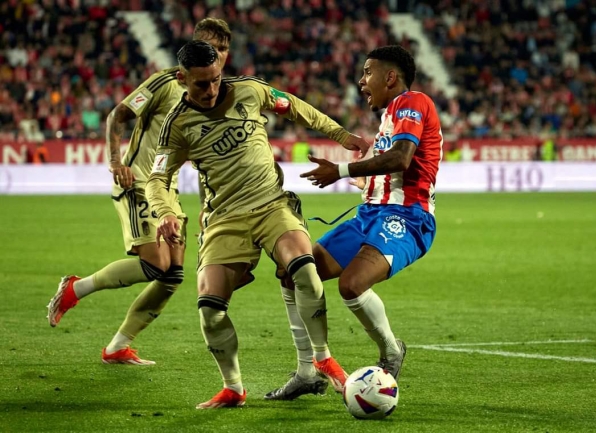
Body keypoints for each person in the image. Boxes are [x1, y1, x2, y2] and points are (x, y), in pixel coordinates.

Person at [146, 40, 370, 409]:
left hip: (271, 205)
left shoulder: (250, 91)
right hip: (226, 219)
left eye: (216, 79)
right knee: (210, 310)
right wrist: (164, 212)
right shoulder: (177, 125)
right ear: (181, 78)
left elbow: (295, 107)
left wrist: (342, 136)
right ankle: (233, 387)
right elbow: (157, 178)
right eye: (200, 84)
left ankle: (322, 356)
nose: (211, 90)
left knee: (304, 269)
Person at [46, 18, 234, 365]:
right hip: (137, 181)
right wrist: (117, 162)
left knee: (173, 275)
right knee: (155, 264)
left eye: (222, 49)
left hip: (168, 191)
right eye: (210, 46)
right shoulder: (166, 83)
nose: (216, 55)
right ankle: (76, 288)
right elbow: (117, 116)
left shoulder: (217, 95)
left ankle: (118, 346)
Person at [267, 45, 441, 399]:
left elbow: (402, 158)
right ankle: (307, 371)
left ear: (390, 77)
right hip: (370, 214)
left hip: (408, 218)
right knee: (293, 272)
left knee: (352, 284)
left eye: (368, 72)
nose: (362, 81)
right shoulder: (390, 116)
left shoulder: (413, 102)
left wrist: (341, 170)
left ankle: (392, 351)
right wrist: (367, 182)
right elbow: (392, 163)